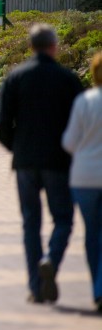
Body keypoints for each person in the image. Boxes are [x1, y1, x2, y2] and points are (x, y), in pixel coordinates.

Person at [0, 24, 84, 304]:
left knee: (30, 223)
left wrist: (15, 147)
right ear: (54, 46)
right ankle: (52, 260)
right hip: (58, 161)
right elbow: (78, 123)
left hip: (25, 162)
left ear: (30, 46)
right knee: (64, 219)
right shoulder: (67, 79)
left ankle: (35, 286)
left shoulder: (16, 77)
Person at [61, 51, 102, 313]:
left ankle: (98, 290)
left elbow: (68, 142)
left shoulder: (84, 100)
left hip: (84, 177)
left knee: (93, 233)